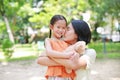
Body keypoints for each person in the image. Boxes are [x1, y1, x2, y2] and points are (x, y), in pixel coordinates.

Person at [43, 15, 86, 80]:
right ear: (51, 27)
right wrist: (66, 55)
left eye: (63, 28)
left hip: (67, 75)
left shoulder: (66, 42)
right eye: (58, 27)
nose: (61, 30)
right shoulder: (48, 40)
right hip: (55, 74)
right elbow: (49, 52)